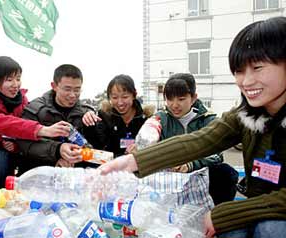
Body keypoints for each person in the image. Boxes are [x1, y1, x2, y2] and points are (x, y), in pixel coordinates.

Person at [99, 16, 286, 238]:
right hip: (255, 205)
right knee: (230, 230)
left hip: (275, 214)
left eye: (257, 68)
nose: (246, 81)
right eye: (239, 71)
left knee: (269, 229)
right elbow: (201, 140)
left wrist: (224, 213)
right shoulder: (246, 115)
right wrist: (132, 161)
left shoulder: (208, 115)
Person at [0, 56, 70, 206]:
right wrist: (42, 130)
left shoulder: (22, 100)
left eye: (18, 79)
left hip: (8, 162)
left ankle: (7, 197)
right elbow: (0, 122)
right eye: (9, 80)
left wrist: (58, 151)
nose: (15, 85)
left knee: (6, 199)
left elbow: (26, 125)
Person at [155, 73, 238, 205]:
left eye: (181, 99)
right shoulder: (160, 119)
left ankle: (217, 216)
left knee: (226, 172)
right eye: (170, 99)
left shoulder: (209, 120)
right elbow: (151, 148)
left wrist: (191, 165)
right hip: (170, 176)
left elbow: (216, 155)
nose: (175, 105)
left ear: (194, 98)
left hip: (199, 174)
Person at [17, 64, 96, 171]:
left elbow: (95, 149)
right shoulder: (35, 109)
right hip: (39, 172)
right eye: (67, 89)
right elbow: (24, 143)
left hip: (76, 174)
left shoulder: (86, 113)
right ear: (54, 86)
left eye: (77, 90)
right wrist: (57, 151)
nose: (73, 95)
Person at [84, 74, 154, 157]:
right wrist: (87, 119)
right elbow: (94, 148)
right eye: (114, 97)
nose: (120, 103)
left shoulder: (148, 119)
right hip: (111, 167)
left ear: (134, 95)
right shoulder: (103, 117)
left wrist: (140, 149)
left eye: (125, 97)